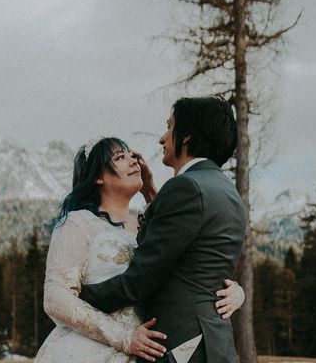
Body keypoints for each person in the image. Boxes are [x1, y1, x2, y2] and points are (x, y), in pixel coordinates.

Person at [33, 136, 243, 363]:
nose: (133, 161)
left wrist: (232, 291)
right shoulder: (78, 223)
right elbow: (56, 298)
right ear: (98, 177)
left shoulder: (146, 225)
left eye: (132, 156)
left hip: (148, 351)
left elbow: (187, 264)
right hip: (91, 349)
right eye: (120, 157)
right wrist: (123, 337)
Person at [79, 97, 246, 363]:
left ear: (187, 136)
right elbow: (195, 256)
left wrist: (77, 298)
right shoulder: (227, 191)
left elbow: (142, 278)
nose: (162, 139)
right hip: (215, 341)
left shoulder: (186, 188)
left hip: (181, 346)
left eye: (169, 127)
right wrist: (151, 193)